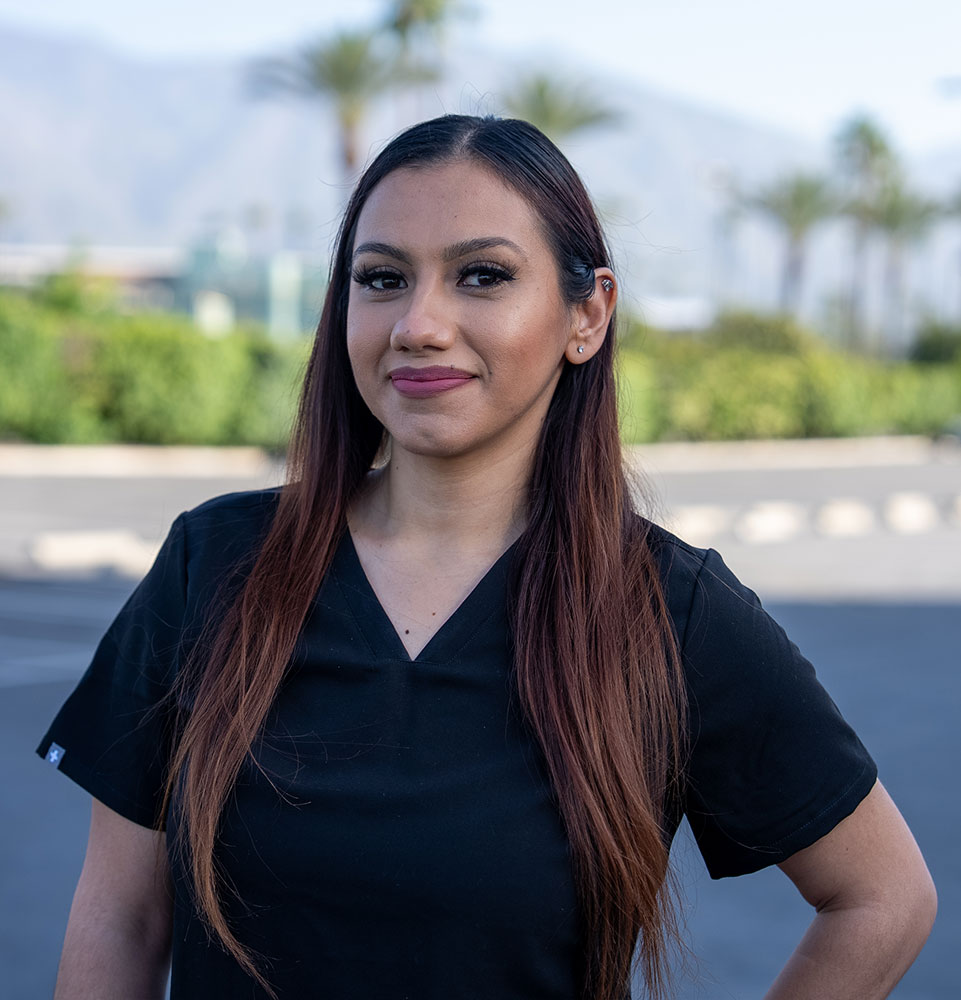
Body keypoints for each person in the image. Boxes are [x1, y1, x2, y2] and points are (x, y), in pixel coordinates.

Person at [38, 115, 935, 1000]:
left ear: (587, 314)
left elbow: (881, 898)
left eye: (482, 275)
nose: (419, 324)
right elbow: (122, 917)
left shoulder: (666, 608)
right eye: (382, 278)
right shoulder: (216, 564)